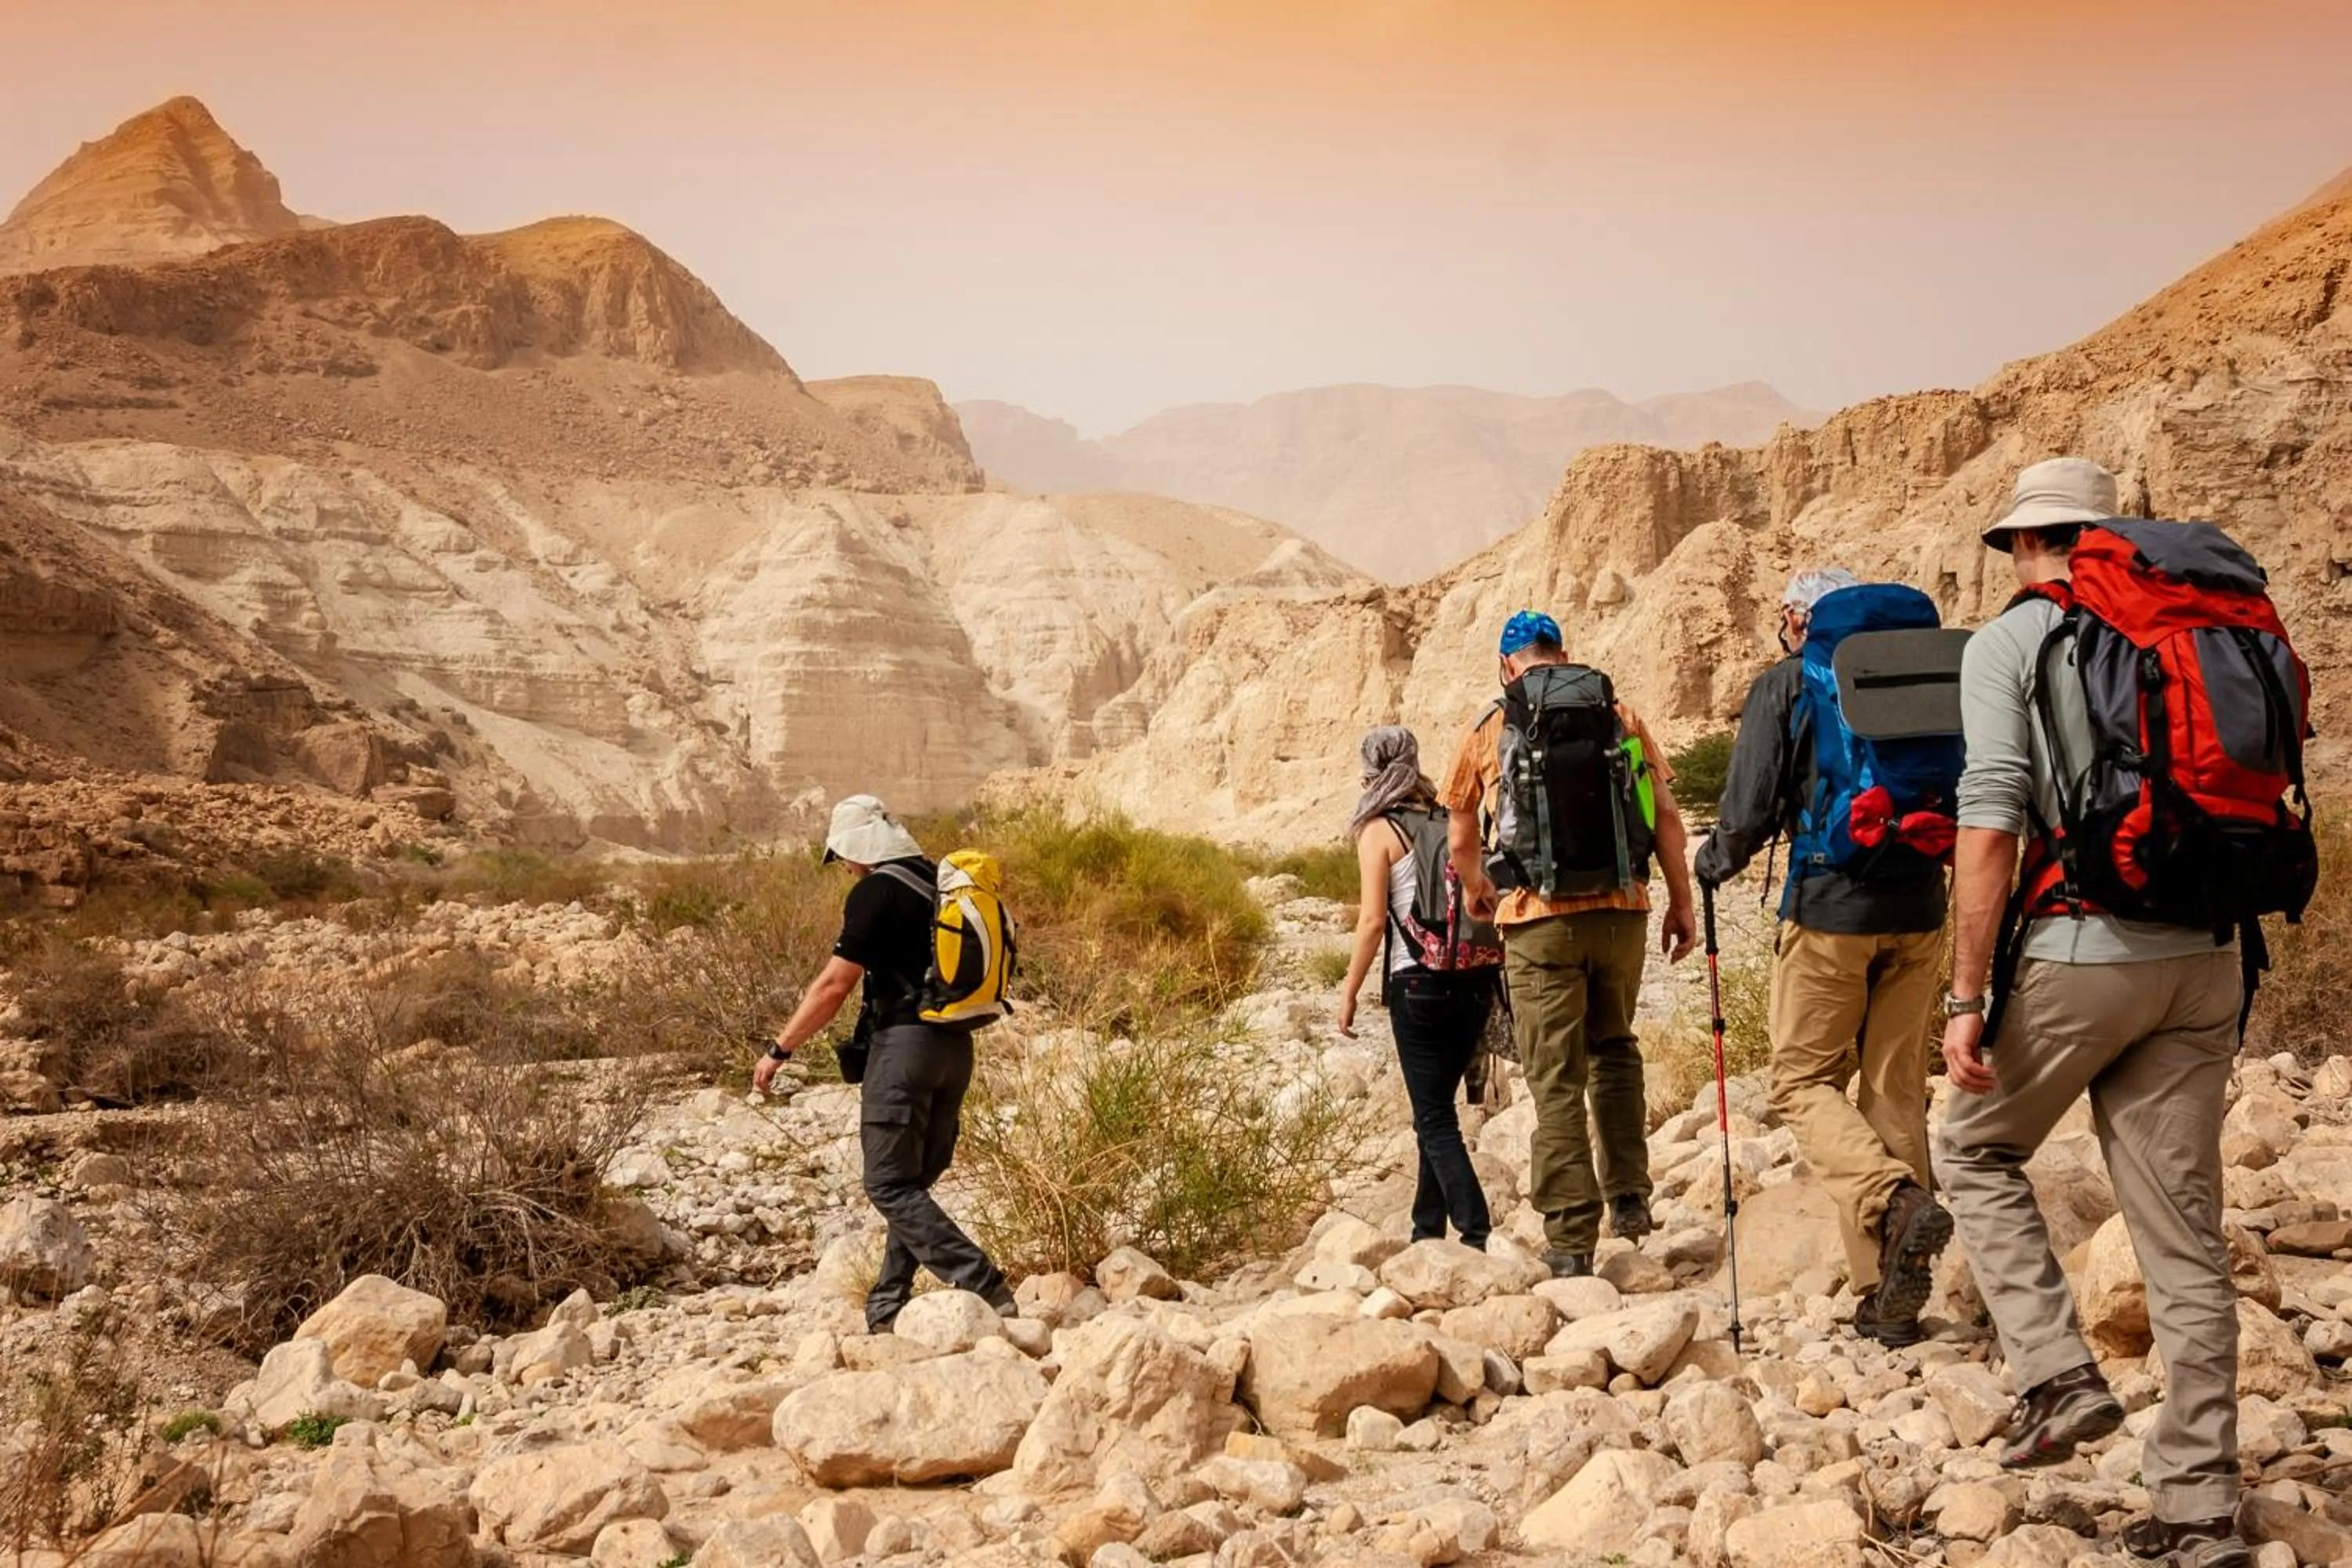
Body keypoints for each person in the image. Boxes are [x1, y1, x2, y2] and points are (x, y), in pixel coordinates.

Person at [1935, 459, 2249, 1568]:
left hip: (2081, 948)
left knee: (1972, 1147)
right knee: (2182, 1232)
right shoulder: (2200, 620)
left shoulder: (2015, 640)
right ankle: (2202, 1503)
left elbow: (1990, 826)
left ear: (2027, 544)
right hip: (2210, 956)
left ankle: (2059, 1379)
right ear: (2107, 535)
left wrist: (1967, 1000)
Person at [1693, 568, 1955, 1347]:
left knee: (1802, 1078)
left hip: (1830, 905)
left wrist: (1711, 866)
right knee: (1895, 1090)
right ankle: (1885, 1297)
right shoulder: (1927, 673)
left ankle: (1891, 1200)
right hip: (1921, 905)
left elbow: (1746, 807)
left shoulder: (1790, 683)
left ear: (1795, 618)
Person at [1443, 611, 1698, 1278]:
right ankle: (1631, 1201)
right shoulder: (1621, 714)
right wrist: (1681, 900)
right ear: (1564, 654)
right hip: (1623, 913)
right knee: (1615, 1049)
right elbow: (1665, 817)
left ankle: (1570, 1238)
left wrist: (1477, 891)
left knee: (1556, 1076)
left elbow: (1462, 834)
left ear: (1507, 665)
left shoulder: (1489, 727)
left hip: (1537, 918)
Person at [754, 793, 1014, 1330]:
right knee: (913, 1182)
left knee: (889, 1184)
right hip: (955, 1047)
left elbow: (832, 987)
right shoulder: (936, 884)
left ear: (858, 848)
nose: (844, 868)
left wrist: (779, 1049)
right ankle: (886, 1306)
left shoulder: (877, 891)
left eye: (842, 856)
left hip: (904, 1051)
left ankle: (982, 1282)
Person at [1336, 725, 1497, 1250]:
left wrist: (1349, 991)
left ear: (1370, 770)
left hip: (1419, 984)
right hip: (1475, 978)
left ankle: (1474, 1228)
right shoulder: (1449, 818)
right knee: (1437, 1108)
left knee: (1432, 1116)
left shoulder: (1379, 830)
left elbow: (1372, 922)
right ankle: (1426, 1230)